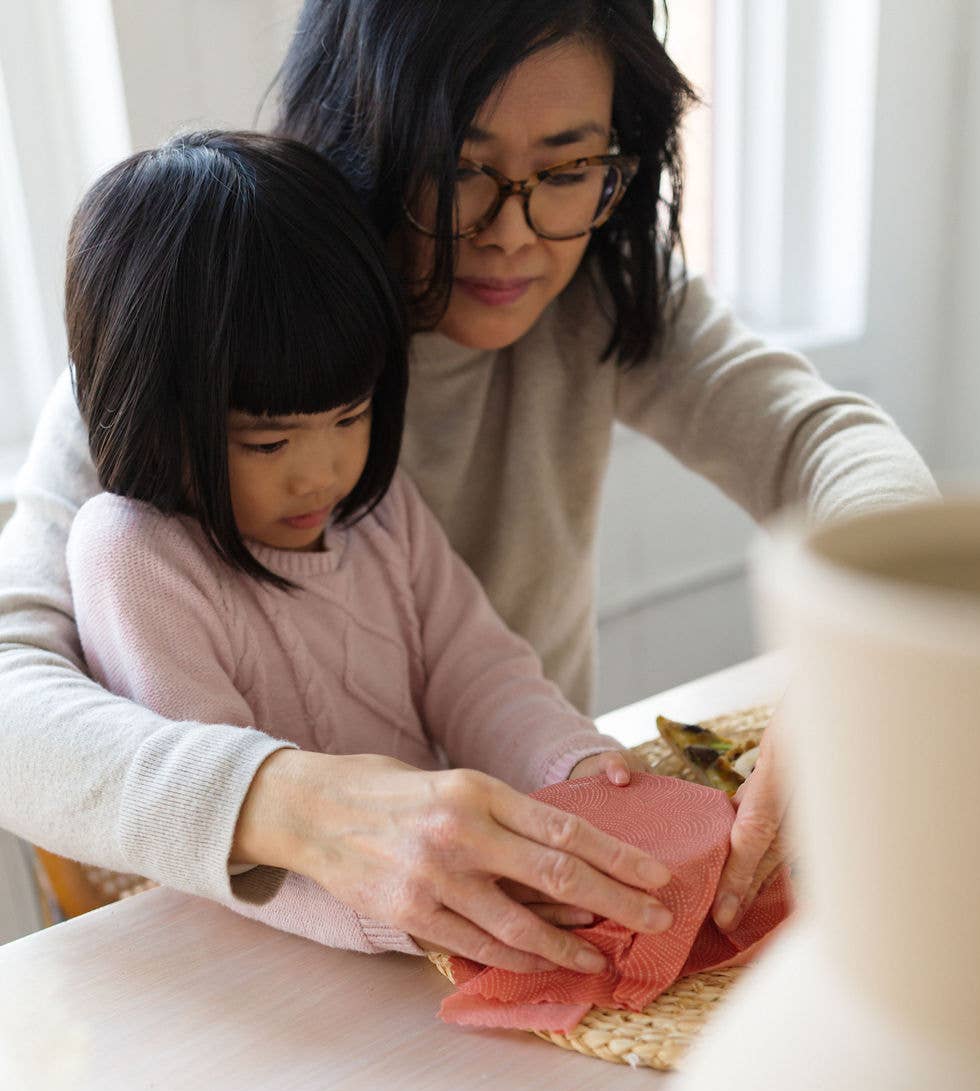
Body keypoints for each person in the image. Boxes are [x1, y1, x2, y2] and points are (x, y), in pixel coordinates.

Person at [0, 0, 937, 966]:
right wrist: (291, 806)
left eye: (566, 170)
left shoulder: (601, 283)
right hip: (272, 954)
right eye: (456, 171)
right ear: (359, 139)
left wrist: (864, 663)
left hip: (537, 888)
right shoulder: (202, 320)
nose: (513, 234)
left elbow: (824, 443)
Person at [60, 129, 673, 969]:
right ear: (155, 416)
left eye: (351, 417)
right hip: (269, 965)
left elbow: (477, 673)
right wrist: (405, 916)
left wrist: (574, 768)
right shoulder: (135, 555)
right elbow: (221, 834)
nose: (323, 474)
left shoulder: (375, 510)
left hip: (420, 936)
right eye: (268, 443)